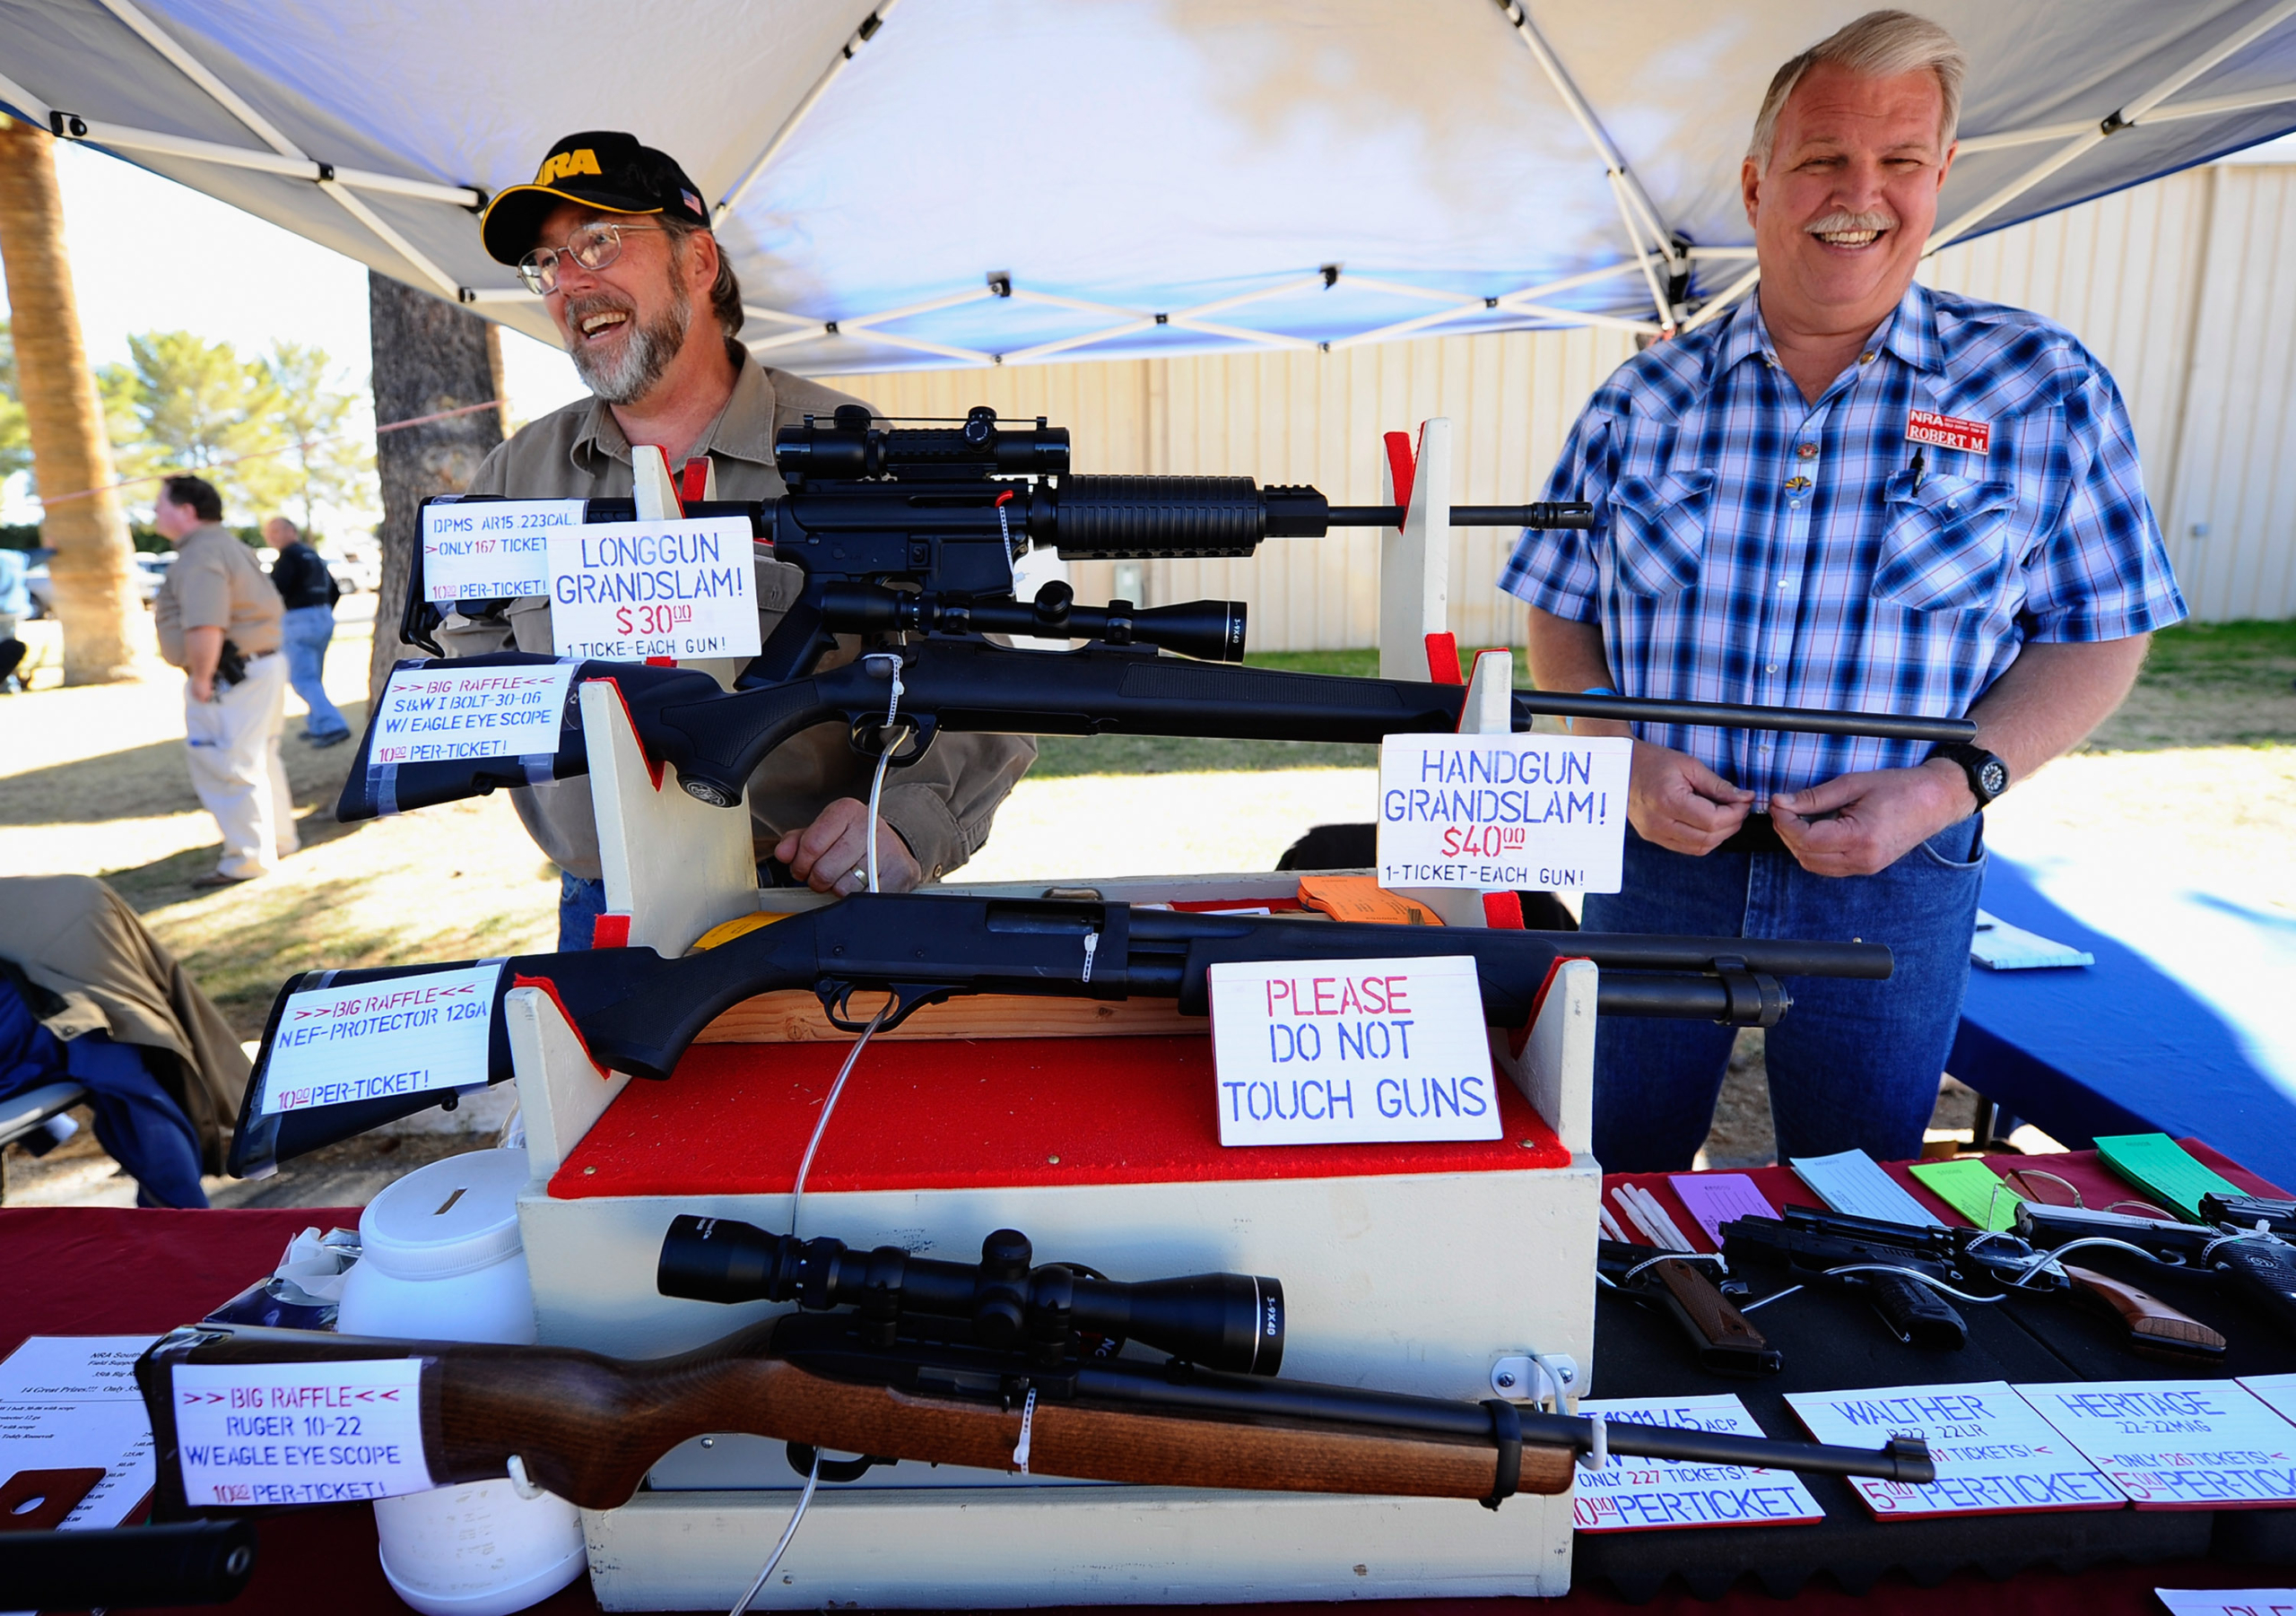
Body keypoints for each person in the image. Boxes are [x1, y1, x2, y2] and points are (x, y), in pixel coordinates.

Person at [1500, 10, 2184, 1172]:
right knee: (1607, 1182)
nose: (1858, 191)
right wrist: (1615, 749)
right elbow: (1560, 601)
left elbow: (2099, 632)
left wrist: (1943, 786)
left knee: (1863, 1198)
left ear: (1942, 177)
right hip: (1656, 862)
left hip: (1902, 869)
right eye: (1822, 157)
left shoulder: (2039, 386)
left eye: (1899, 161)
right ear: (1760, 180)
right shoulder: (1645, 398)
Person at [449, 132, 1033, 949]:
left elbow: (989, 671)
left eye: (599, 242)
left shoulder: (858, 451)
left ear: (698, 262)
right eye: (548, 264)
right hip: (603, 909)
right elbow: (459, 657)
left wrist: (907, 823)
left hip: (811, 898)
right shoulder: (514, 475)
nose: (571, 284)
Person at [2, 873, 254, 1208]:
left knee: (109, 1052)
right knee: (112, 1054)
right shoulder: (72, 902)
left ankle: (182, 1220)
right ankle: (182, 1221)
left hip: (63, 1004)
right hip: (67, 993)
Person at [151, 474, 300, 888]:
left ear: (186, 510)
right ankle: (277, 840)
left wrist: (200, 678)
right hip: (258, 666)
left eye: (160, 504)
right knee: (259, 758)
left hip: (229, 675)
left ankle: (247, 860)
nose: (153, 513)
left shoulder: (201, 554)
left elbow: (205, 624)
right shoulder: (228, 545)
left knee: (228, 763)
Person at [264, 515, 351, 746]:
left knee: (302, 678)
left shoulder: (289, 556)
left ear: (291, 531)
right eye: (269, 533)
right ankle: (318, 724)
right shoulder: (313, 555)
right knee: (313, 677)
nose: (271, 537)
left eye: (276, 532)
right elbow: (335, 591)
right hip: (322, 617)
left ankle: (333, 725)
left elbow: (274, 591)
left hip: (299, 620)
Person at [0, 544, 25, 691]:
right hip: (10, 611)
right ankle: (9, 684)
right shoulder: (11, 558)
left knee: (12, 647)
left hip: (8, 613)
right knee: (11, 646)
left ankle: (9, 683)